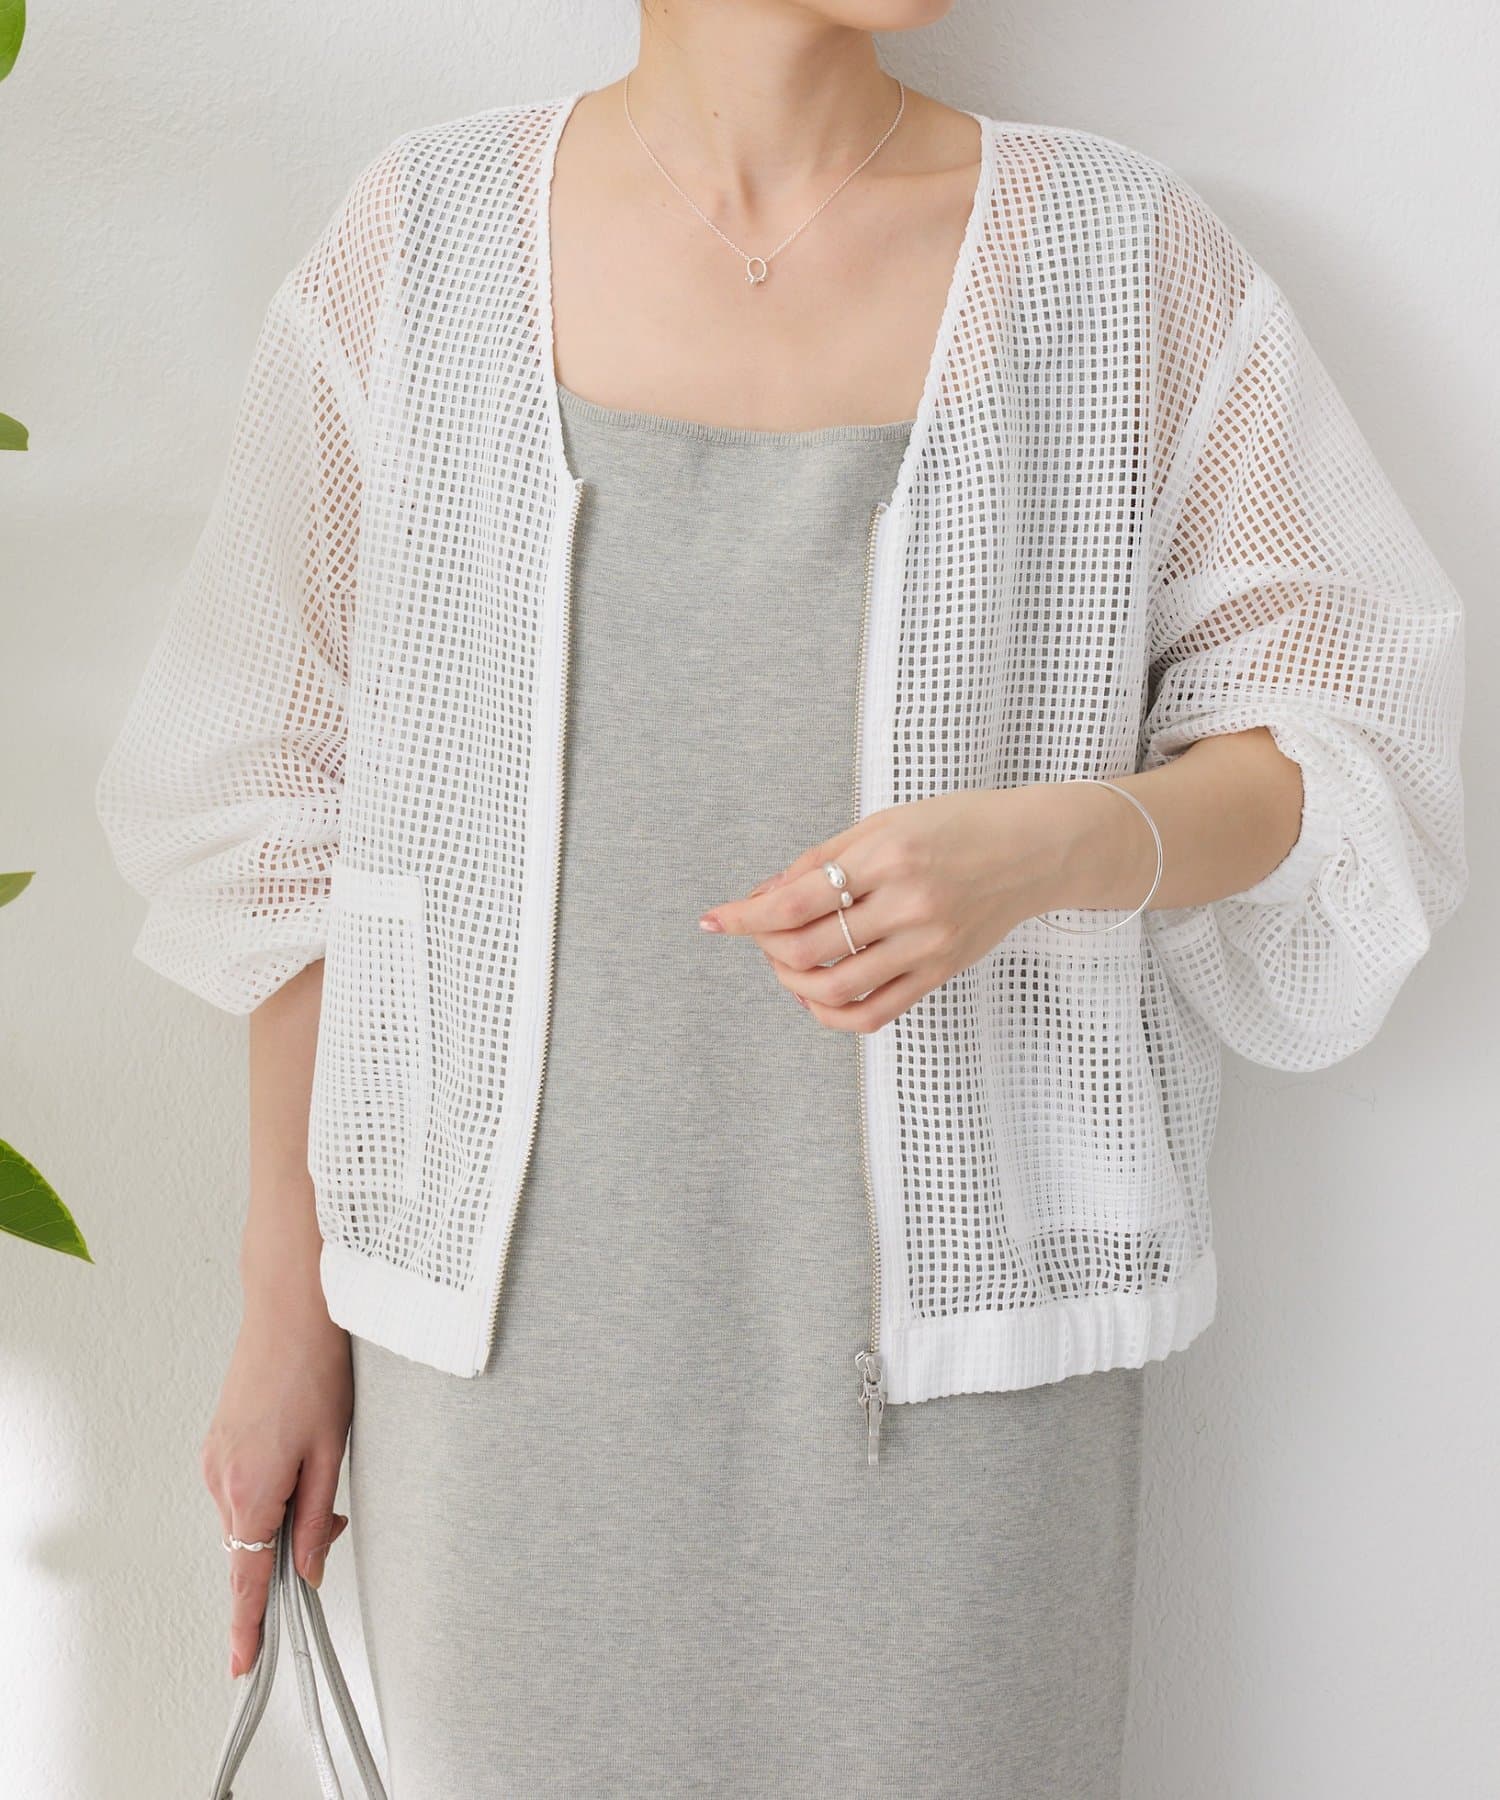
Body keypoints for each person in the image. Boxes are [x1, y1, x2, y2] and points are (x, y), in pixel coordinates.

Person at [94, 3, 1468, 1793]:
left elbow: (1345, 753)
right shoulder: (421, 245)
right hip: (506, 1393)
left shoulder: (1115, 258)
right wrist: (286, 1325)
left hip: (963, 1394)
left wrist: (1047, 848)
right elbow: (289, 831)